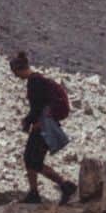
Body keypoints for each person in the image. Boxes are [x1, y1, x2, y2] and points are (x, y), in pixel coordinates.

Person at [10, 48, 77, 203]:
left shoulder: (34, 82)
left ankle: (63, 187)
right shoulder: (37, 80)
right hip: (43, 125)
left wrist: (28, 121)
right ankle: (39, 191)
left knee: (32, 160)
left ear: (19, 69)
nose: (15, 76)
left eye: (15, 72)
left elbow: (37, 107)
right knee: (32, 159)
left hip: (42, 127)